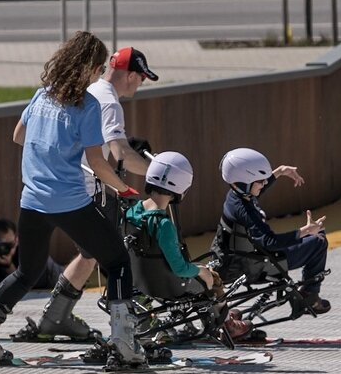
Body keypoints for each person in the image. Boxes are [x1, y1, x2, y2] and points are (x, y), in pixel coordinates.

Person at [0, 31, 150, 370]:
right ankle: (124, 346)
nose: (97, 76)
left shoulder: (42, 96)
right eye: (96, 70)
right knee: (118, 261)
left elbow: (18, 136)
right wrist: (122, 188)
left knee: (26, 271)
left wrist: (49, 149)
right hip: (71, 203)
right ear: (91, 69)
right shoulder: (88, 106)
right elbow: (97, 163)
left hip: (32, 201)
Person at [11, 45, 158, 343]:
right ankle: (130, 332)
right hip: (88, 191)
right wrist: (158, 172)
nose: (141, 84)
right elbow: (120, 154)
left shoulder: (81, 92)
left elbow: (21, 136)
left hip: (48, 190)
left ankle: (55, 317)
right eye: (141, 78)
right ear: (130, 75)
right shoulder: (107, 102)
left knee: (88, 255)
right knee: (117, 257)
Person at [124, 151, 248, 344]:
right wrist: (202, 271)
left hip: (139, 280)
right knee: (212, 278)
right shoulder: (163, 225)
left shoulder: (131, 212)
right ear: (181, 187)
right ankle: (225, 323)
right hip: (168, 286)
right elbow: (180, 268)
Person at [212, 147, 330, 321]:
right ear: (245, 183)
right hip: (258, 264)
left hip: (235, 259)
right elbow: (269, 241)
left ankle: (307, 294)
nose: (264, 183)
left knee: (315, 234)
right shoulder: (245, 209)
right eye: (260, 181)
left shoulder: (236, 196)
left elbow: (254, 195)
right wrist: (305, 231)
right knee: (318, 240)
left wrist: (279, 172)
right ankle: (309, 296)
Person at [0, 219, 63, 291]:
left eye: (10, 244)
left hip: (44, 272)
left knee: (66, 279)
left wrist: (8, 265)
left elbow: (23, 285)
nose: (5, 249)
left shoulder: (24, 251)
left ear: (16, 240)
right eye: (0, 245)